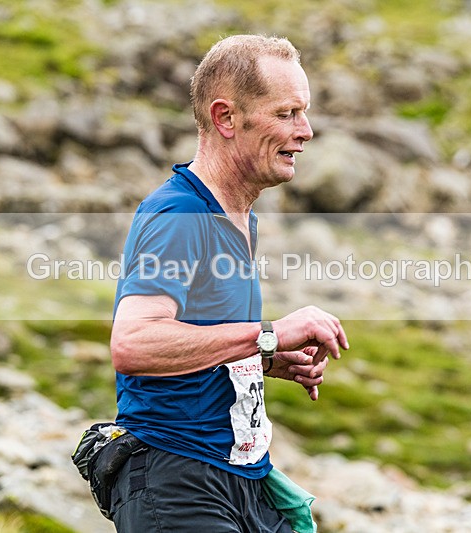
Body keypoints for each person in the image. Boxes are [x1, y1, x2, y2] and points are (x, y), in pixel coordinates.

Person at [109, 34, 349, 532]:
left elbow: (194, 340)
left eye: (303, 112)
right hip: (175, 478)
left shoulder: (239, 215)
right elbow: (133, 343)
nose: (305, 131)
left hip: (240, 476)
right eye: (286, 114)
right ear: (226, 118)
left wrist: (263, 359)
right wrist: (269, 334)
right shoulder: (180, 213)